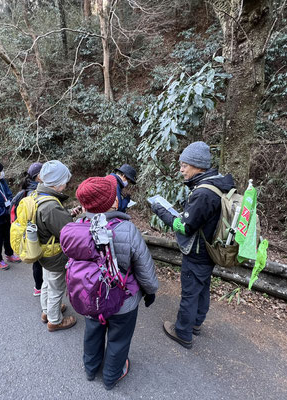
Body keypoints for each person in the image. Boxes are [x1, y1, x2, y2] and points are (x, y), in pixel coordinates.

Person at [74, 175, 158, 390]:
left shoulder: (78, 225)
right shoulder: (126, 229)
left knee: (92, 331)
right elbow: (144, 268)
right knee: (119, 338)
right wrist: (150, 292)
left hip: (91, 297)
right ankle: (112, 376)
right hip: (123, 300)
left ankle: (90, 368)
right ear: (113, 202)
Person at [151, 141, 235, 349]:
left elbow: (185, 227)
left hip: (197, 252)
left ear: (197, 165)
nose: (181, 170)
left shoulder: (203, 193)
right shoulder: (218, 183)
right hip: (210, 249)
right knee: (202, 286)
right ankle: (196, 323)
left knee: (190, 291)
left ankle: (182, 332)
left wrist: (161, 211)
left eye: (184, 165)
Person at [35, 160, 79, 332]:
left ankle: (46, 311)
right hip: (54, 254)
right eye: (65, 180)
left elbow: (49, 222)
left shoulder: (39, 195)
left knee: (47, 282)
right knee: (56, 287)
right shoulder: (52, 206)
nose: (66, 184)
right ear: (58, 182)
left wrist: (67, 214)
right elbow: (66, 233)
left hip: (43, 249)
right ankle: (55, 321)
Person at [10, 162, 44, 296]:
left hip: (32, 232)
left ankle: (39, 287)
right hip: (36, 232)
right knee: (39, 261)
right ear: (38, 177)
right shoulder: (33, 193)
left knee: (38, 261)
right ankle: (40, 288)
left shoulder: (28, 190)